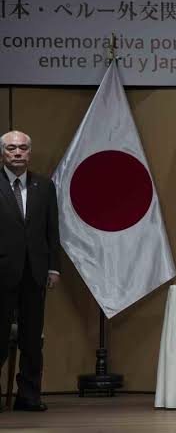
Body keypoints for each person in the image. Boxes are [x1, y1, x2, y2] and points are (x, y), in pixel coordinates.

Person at [0, 131, 60, 412]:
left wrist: (54, 268)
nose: (17, 152)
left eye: (22, 148)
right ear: (3, 153)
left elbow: (53, 231)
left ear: (29, 153)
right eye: (11, 148)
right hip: (2, 273)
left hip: (35, 273)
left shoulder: (45, 186)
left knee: (32, 341)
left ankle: (29, 396)